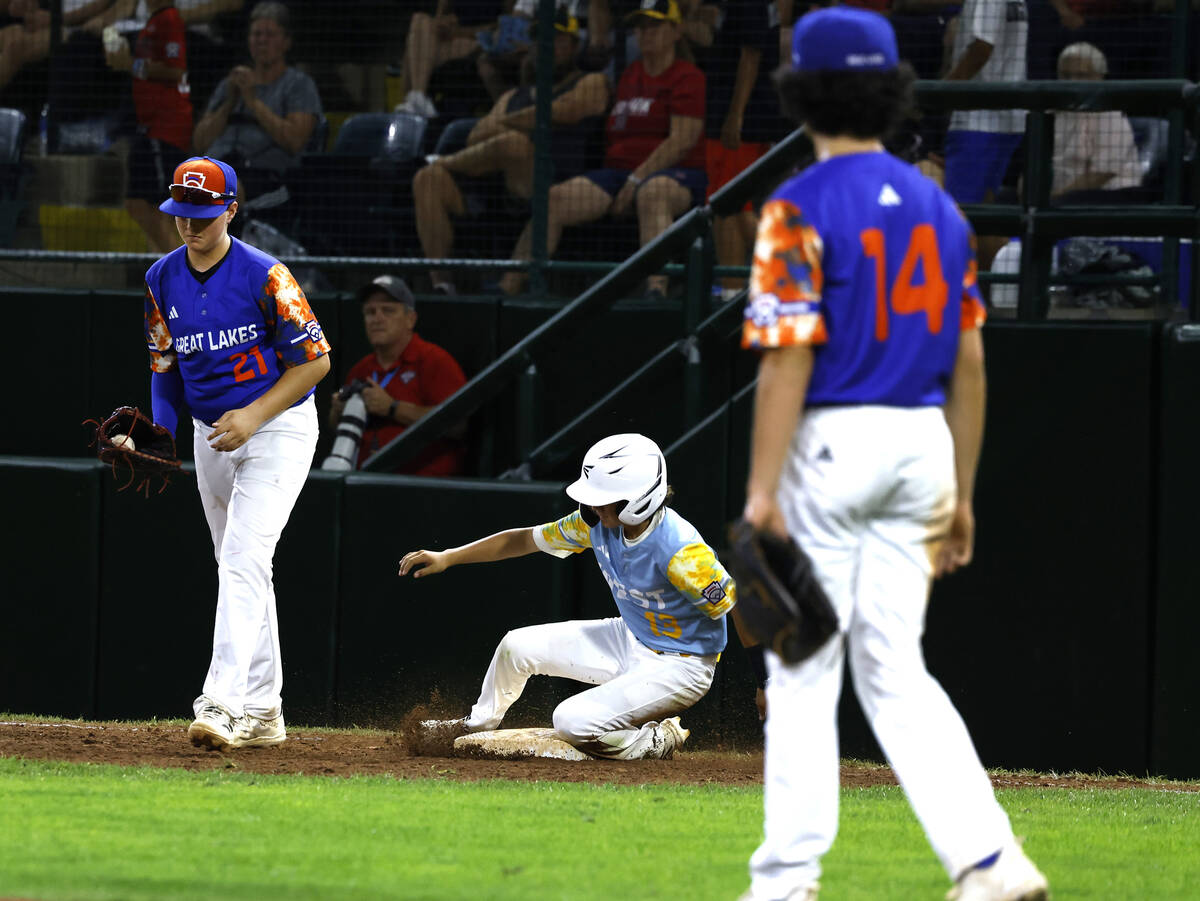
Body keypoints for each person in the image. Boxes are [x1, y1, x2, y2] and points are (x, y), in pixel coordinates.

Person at [738, 9, 1049, 901]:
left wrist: (764, 491)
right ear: (891, 89)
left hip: (836, 442)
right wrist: (963, 494)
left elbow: (789, 354)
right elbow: (972, 362)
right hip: (923, 446)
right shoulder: (941, 208)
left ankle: (785, 882)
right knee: (894, 666)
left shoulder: (797, 204)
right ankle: (993, 863)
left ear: (799, 90)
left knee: (800, 667)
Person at [143, 155, 331, 751]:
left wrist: (254, 415)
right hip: (210, 435)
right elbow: (164, 367)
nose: (189, 226)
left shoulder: (266, 274)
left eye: (201, 214)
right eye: (180, 213)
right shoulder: (160, 278)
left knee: (243, 559)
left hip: (277, 427)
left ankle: (220, 702)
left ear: (229, 210)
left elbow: (317, 361)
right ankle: (264, 711)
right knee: (241, 565)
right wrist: (162, 430)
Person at [399, 433, 738, 760]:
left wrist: (766, 682)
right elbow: (522, 540)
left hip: (681, 665)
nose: (593, 505)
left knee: (571, 722)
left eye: (605, 497)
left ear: (639, 499)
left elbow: (742, 607)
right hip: (629, 636)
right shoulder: (596, 523)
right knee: (516, 646)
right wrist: (448, 556)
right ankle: (474, 725)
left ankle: (655, 740)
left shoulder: (680, 551)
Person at [498, 0, 706, 299]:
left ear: (677, 31)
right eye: (641, 27)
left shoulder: (688, 77)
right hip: (618, 174)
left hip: (676, 175)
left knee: (653, 192)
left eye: (655, 26)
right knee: (554, 198)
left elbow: (682, 140)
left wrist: (636, 179)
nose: (645, 34)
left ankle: (656, 288)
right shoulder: (629, 74)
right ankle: (510, 286)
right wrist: (628, 179)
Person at [412, 5, 609, 295]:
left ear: (573, 44)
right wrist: (523, 121)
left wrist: (508, 123)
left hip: (560, 187)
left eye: (556, 39)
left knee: (513, 143)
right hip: (500, 191)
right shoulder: (512, 96)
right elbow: (477, 136)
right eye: (540, 39)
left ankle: (447, 162)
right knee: (427, 179)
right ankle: (442, 285)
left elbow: (565, 111)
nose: (547, 47)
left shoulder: (591, 81)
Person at [192, 1, 321, 228]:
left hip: (265, 175)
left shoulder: (298, 85)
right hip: (216, 167)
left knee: (221, 190)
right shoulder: (230, 85)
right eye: (256, 34)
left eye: (270, 34)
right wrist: (230, 101)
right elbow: (199, 141)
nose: (262, 40)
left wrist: (252, 100)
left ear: (286, 42)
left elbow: (294, 141)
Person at [329, 275, 468, 475]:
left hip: (420, 486)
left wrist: (392, 408)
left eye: (388, 310)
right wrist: (337, 413)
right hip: (364, 481)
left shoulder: (434, 360)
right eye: (370, 312)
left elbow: (457, 425)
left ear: (410, 319)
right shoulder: (361, 369)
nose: (377, 318)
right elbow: (338, 431)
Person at [103, 0, 192, 253]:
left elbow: (176, 71)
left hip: (165, 126)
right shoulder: (152, 22)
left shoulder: (169, 19)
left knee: (159, 207)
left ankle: (183, 274)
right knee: (138, 204)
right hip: (148, 126)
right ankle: (168, 271)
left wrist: (130, 64)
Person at [942, 0, 1027, 204]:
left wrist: (946, 90)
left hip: (977, 119)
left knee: (961, 211)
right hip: (1007, 118)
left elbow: (982, 47)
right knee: (985, 213)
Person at [1050, 42, 1141, 200]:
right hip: (1056, 195)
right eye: (1065, 75)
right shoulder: (1050, 112)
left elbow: (1102, 173)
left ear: (1099, 77)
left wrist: (1055, 197)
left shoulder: (1110, 114)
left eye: (1081, 76)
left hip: (1105, 194)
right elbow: (1033, 162)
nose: (1071, 82)